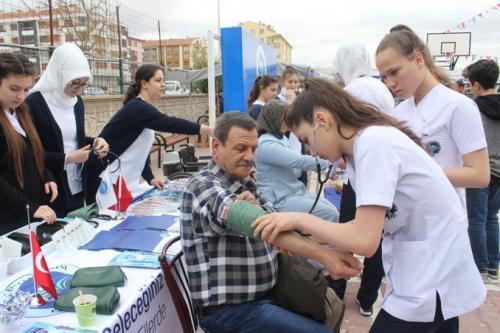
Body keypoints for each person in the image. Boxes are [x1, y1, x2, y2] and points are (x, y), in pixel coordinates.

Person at [252, 78, 486, 333]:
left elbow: (364, 239)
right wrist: (323, 252)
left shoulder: (374, 144)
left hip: (431, 275)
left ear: (322, 120)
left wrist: (298, 219)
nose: (311, 152)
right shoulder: (364, 147)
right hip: (429, 269)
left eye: (307, 139)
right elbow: (363, 227)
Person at [180, 112, 361, 333]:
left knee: (330, 309)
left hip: (266, 296)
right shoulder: (202, 185)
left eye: (253, 149)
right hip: (230, 311)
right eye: (241, 149)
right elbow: (262, 223)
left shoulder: (245, 182)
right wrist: (324, 255)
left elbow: (273, 217)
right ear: (216, 146)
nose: (249, 157)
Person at [376, 28, 490, 213]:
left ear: (418, 60)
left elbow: (480, 175)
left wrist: (417, 174)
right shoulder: (400, 111)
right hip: (406, 219)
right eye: (384, 77)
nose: (390, 83)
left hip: (444, 220)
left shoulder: (458, 106)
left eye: (394, 72)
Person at [331, 41, 395, 316]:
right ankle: (368, 298)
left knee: (345, 235)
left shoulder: (349, 92)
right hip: (383, 177)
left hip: (358, 177)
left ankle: (336, 292)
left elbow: (342, 137)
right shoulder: (383, 88)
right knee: (378, 238)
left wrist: (339, 161)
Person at [86, 64, 212, 200]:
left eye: (163, 80)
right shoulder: (137, 107)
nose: (163, 84)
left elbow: (140, 150)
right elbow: (170, 123)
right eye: (158, 81)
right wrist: (207, 130)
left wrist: (150, 178)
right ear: (144, 83)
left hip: (124, 182)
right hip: (105, 180)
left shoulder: (143, 108)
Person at [26, 43, 108, 217]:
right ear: (59, 74)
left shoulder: (77, 102)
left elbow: (73, 138)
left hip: (76, 184)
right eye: (74, 82)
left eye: (83, 83)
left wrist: (95, 141)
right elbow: (30, 151)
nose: (78, 88)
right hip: (50, 187)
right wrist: (67, 158)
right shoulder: (34, 103)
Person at [0, 53, 57, 234]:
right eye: (14, 88)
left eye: (26, 90)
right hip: (8, 217)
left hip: (30, 208)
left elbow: (33, 152)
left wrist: (46, 175)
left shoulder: (22, 111)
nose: (20, 96)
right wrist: (28, 207)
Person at [255, 100, 339, 221]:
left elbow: (296, 169)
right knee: (330, 214)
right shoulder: (265, 144)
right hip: (280, 200)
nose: (290, 122)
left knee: (332, 209)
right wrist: (330, 162)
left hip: (295, 192)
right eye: (286, 118)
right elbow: (298, 161)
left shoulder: (281, 138)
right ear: (274, 118)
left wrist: (325, 168)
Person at [462, 59, 500, 281]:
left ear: (476, 86)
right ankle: (494, 265)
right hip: (499, 172)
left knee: (476, 220)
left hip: (479, 171)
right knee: (491, 218)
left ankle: (480, 268)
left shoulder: (473, 108)